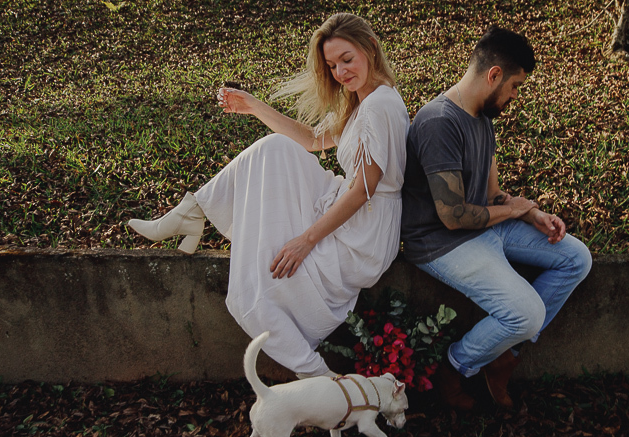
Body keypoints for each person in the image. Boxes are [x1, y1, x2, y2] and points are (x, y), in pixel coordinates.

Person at [127, 13, 410, 378]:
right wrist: (254, 106)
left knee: (257, 283)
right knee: (275, 149)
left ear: (370, 48)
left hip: (365, 232)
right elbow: (312, 140)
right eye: (332, 65)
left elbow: (361, 192)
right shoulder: (365, 100)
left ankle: (317, 375)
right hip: (355, 210)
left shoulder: (379, 106)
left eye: (347, 60)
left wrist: (306, 241)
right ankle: (192, 210)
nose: (340, 72)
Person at [400, 27, 592, 410]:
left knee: (576, 258)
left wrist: (532, 214)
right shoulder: (439, 122)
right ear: (494, 75)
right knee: (527, 314)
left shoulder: (482, 118)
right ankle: (454, 367)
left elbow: (492, 195)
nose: (515, 96)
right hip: (441, 242)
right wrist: (515, 210)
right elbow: (453, 215)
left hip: (482, 227)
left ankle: (504, 355)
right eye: (515, 86)